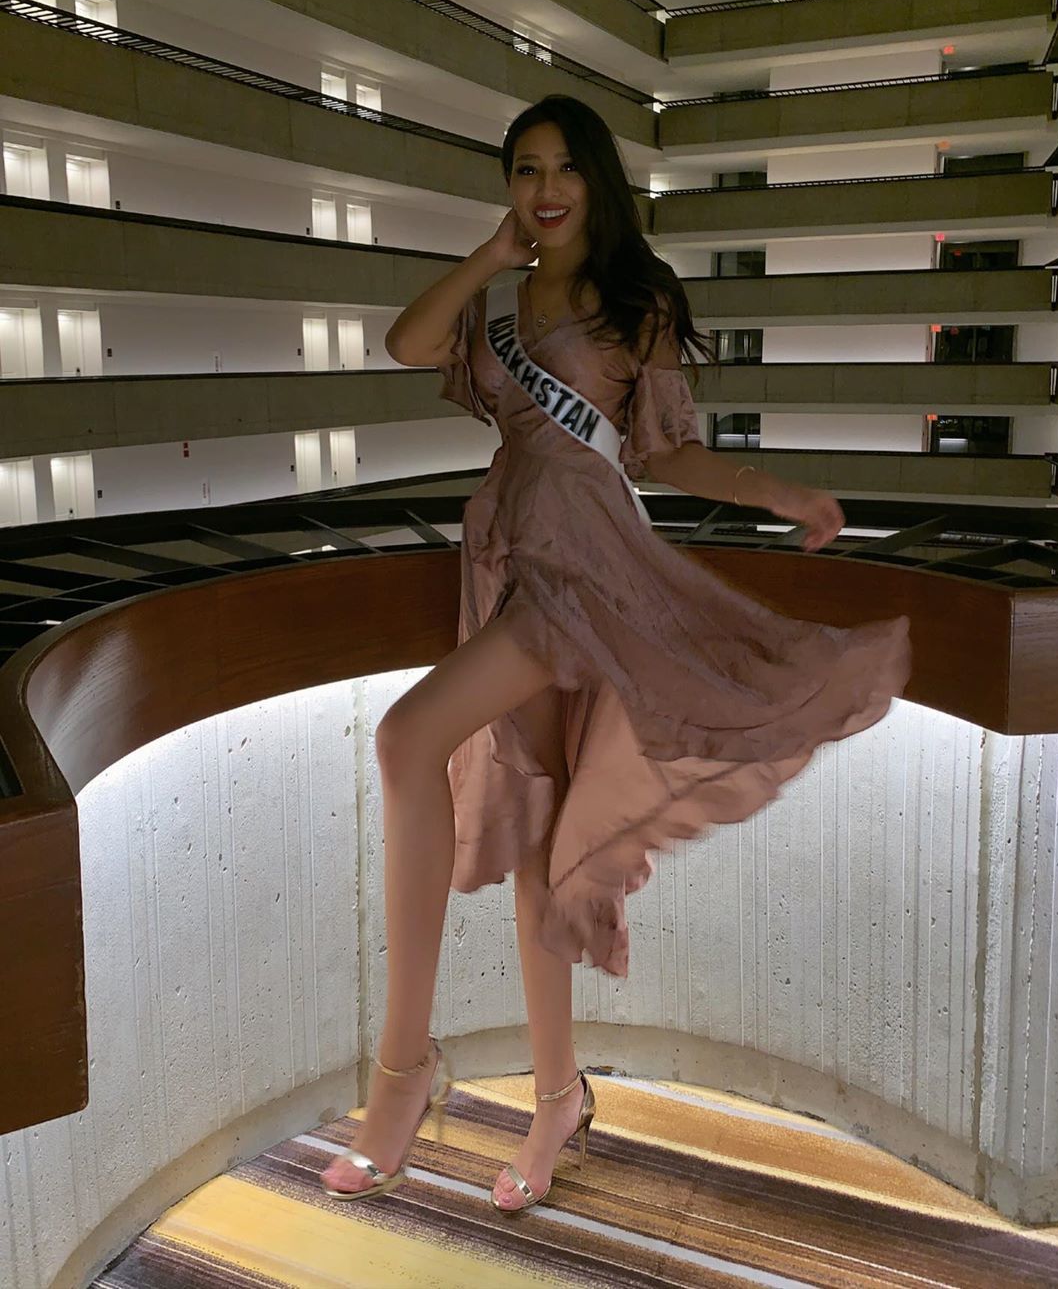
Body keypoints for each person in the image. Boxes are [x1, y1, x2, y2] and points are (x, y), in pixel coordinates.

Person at [319, 94, 912, 1212]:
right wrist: (490, 256)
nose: (545, 189)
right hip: (506, 561)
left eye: (564, 168)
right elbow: (406, 343)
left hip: (585, 566)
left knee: (406, 738)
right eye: (524, 170)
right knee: (540, 839)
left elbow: (669, 453)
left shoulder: (636, 302)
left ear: (595, 179)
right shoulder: (498, 303)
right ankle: (558, 1099)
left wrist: (778, 491)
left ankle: (402, 1074)